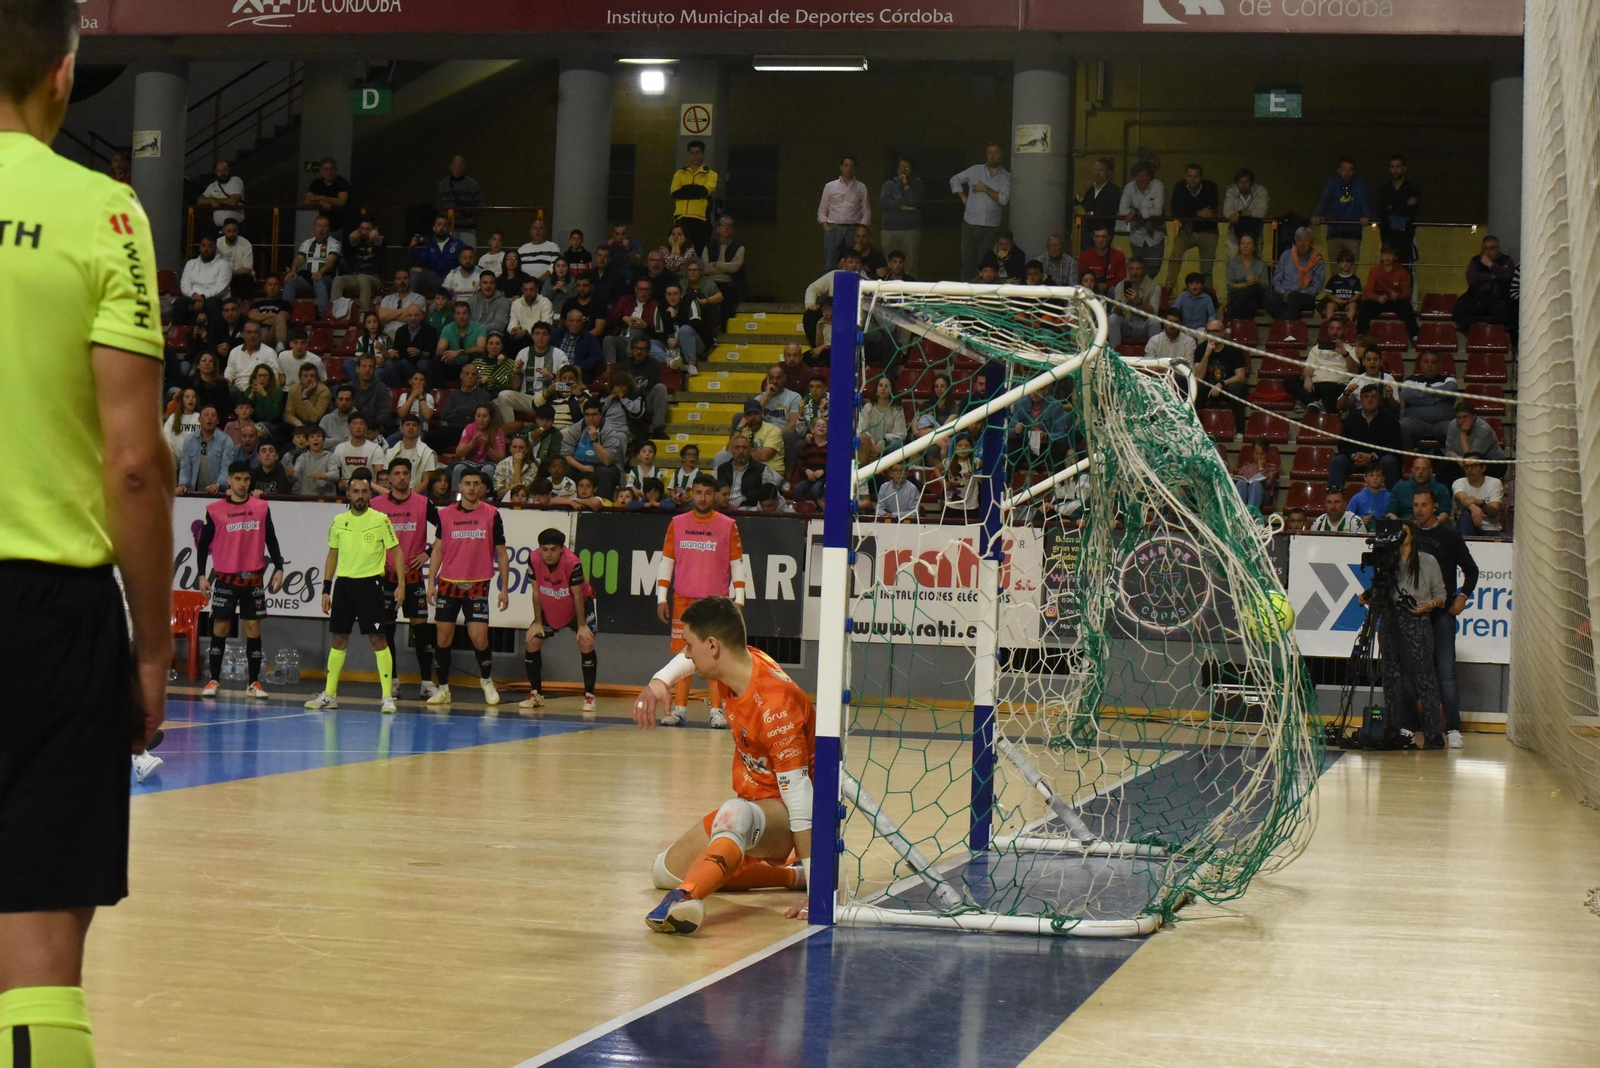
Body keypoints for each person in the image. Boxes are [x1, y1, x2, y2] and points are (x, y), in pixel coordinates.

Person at [0, 13, 174, 1056]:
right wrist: (152, 649)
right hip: (46, 615)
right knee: (37, 943)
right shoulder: (102, 213)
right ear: (64, 75)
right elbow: (134, 465)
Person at [632, 597, 812, 934]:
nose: (685, 654)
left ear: (713, 646)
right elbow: (687, 664)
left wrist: (819, 892)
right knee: (663, 872)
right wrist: (659, 683)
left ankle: (686, 898)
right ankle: (788, 875)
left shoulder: (776, 706)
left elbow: (801, 799)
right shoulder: (740, 665)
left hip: (791, 815)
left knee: (734, 814)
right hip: (756, 804)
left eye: (689, 645)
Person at [653, 476, 748, 729]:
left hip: (715, 603)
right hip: (683, 599)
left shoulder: (728, 525)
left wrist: (739, 598)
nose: (703, 497)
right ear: (690, 493)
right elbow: (667, 561)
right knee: (683, 653)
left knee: (715, 656)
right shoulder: (677, 523)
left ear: (715, 495)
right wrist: (661, 597)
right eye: (698, 492)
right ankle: (680, 710)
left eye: (708, 493)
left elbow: (737, 563)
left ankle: (717, 711)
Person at [305, 470, 403, 713]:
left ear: (370, 493)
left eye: (364, 491)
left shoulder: (381, 519)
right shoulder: (338, 522)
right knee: (338, 639)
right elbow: (332, 555)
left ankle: (387, 696)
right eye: (355, 491)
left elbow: (397, 552)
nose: (360, 496)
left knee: (378, 639)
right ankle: (330, 695)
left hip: (371, 586)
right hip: (344, 586)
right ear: (348, 494)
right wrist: (326, 589)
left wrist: (401, 584)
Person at [195, 460, 286, 698]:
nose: (243, 484)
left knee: (253, 627)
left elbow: (272, 539)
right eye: (238, 479)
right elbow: (203, 545)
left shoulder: (261, 507)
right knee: (220, 627)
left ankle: (254, 682)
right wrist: (202, 575)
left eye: (247, 479)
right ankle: (213, 680)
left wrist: (278, 566)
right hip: (225, 578)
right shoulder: (214, 510)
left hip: (253, 577)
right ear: (229, 480)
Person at [1359, 520, 1446, 749]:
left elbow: (1441, 594)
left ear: (1413, 535)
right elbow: (1382, 587)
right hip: (1390, 617)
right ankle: (1400, 731)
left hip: (1416, 619)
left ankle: (1434, 734)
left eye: (1404, 532)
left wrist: (1428, 605)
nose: (1400, 536)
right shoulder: (1389, 561)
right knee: (1392, 675)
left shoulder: (1427, 561)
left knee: (1424, 676)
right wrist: (1369, 596)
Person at [426, 469, 510, 706]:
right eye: (467, 484)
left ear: (483, 488)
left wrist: (504, 589)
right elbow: (438, 550)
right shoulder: (445, 515)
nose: (472, 488)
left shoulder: (492, 514)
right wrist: (431, 582)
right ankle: (443, 689)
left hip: (477, 584)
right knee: (443, 637)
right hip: (448, 583)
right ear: (459, 487)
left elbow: (502, 554)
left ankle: (486, 681)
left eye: (476, 484)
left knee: (479, 637)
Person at [1412, 489, 1479, 749]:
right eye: (1416, 505)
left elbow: (1471, 570)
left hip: (1441, 614)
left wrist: (1462, 596)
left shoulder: (1449, 535)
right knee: (1414, 672)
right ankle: (1412, 726)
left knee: (1445, 672)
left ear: (1434, 507)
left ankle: (1452, 728)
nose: (1419, 509)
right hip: (1414, 614)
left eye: (1424, 505)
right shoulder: (1410, 533)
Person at [372, 456, 441, 700]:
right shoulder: (376, 504)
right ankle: (393, 681)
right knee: (385, 631)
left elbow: (445, 530)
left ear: (411, 477)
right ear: (389, 477)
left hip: (413, 578)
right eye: (397, 473)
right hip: (386, 577)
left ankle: (425, 682)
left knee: (421, 632)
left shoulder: (423, 503)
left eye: (405, 473)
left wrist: (428, 552)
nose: (401, 478)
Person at [522, 528, 599, 713]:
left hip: (578, 605)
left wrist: (581, 626)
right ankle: (536, 694)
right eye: (544, 549)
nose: (548, 554)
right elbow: (535, 592)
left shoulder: (572, 563)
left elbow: (578, 595)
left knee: (586, 642)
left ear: (562, 549)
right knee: (532, 642)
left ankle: (589, 696)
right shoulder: (533, 558)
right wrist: (538, 623)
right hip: (551, 604)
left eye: (553, 549)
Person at [948, 141, 1010, 281]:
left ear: (1001, 155)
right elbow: (954, 180)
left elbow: (1004, 200)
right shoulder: (975, 170)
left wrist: (985, 189)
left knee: (985, 263)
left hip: (990, 225)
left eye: (996, 152)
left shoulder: (1005, 177)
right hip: (970, 222)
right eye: (990, 152)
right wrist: (963, 197)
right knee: (967, 262)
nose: (992, 156)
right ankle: (965, 294)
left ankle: (980, 296)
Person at [1329, 383, 1402, 490]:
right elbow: (1342, 445)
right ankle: (1333, 498)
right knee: (1337, 460)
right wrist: (1354, 455)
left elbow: (1395, 445)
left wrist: (1372, 456)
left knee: (1389, 461)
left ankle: (1394, 500)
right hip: (1356, 461)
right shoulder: (1351, 418)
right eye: (1366, 397)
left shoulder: (1390, 418)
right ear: (1361, 400)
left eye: (1374, 397)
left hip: (1379, 461)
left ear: (1380, 400)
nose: (1369, 400)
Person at [1166, 162, 1220, 293]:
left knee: (1206, 269)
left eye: (1196, 176)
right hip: (1187, 230)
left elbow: (1211, 211)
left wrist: (1188, 212)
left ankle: (1208, 296)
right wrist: (1197, 213)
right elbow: (1175, 211)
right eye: (1190, 176)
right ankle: (1167, 291)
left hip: (1208, 231)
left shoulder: (1211, 187)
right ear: (1185, 176)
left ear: (1201, 177)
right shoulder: (1180, 187)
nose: (1193, 179)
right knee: (1174, 259)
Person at [1452, 233, 1517, 337]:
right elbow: (1472, 278)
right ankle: (1475, 331)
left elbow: (1507, 275)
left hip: (1498, 298)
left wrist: (1490, 265)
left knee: (1503, 311)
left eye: (1492, 248)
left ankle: (1491, 336)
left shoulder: (1506, 260)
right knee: (1458, 309)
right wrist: (1493, 276)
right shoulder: (1475, 261)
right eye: (1485, 249)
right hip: (1477, 297)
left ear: (1498, 248)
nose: (1489, 251)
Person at [1310, 155, 1371, 264]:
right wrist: (1317, 215)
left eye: (1349, 170)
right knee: (1335, 274)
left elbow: (1363, 200)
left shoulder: (1360, 183)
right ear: (1339, 170)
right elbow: (1325, 199)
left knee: (1351, 274)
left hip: (1353, 235)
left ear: (1354, 171)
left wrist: (1366, 216)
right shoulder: (1332, 182)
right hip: (1334, 234)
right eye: (1343, 170)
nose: (1346, 173)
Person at [1286, 320, 1356, 413]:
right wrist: (1307, 378)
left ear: (1344, 331)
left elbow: (1354, 370)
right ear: (1328, 331)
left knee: (1328, 388)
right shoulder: (1317, 348)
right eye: (1332, 328)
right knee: (1289, 380)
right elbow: (1308, 368)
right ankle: (1314, 403)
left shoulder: (1351, 350)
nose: (1335, 332)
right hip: (1316, 386)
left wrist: (1345, 354)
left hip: (1337, 387)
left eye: (1339, 329)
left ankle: (1313, 405)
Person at [817, 154, 871, 272]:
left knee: (852, 264)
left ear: (855, 168)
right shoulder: (830, 186)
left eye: (851, 166)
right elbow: (822, 211)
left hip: (853, 229)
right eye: (846, 165)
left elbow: (866, 211)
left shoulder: (861, 187)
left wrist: (861, 231)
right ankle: (829, 291)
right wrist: (827, 229)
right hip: (833, 228)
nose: (849, 168)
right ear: (841, 167)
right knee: (829, 265)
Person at [1398, 349, 1459, 447]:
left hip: (1442, 424)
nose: (1430, 365)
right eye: (1426, 362)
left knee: (1453, 428)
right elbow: (1407, 394)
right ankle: (1408, 459)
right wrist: (1435, 398)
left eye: (1434, 362)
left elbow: (1450, 389)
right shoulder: (1411, 380)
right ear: (1421, 364)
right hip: (1416, 423)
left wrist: (1423, 392)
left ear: (1440, 365)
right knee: (1402, 426)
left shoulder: (1448, 379)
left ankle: (1451, 460)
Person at [1194, 319, 1249, 428]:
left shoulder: (1234, 349)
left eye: (1215, 331)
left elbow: (1241, 376)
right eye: (1208, 331)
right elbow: (1199, 376)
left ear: (1223, 333)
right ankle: (1195, 427)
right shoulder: (1201, 349)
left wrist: (1222, 384)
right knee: (1197, 387)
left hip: (1227, 387)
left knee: (1236, 388)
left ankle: (1239, 430)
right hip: (1208, 388)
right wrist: (1206, 355)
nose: (1211, 335)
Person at [284, 213, 340, 314]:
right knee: (290, 280)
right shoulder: (307, 243)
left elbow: (331, 261)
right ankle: (285, 311)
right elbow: (299, 259)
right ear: (314, 228)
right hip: (309, 277)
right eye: (319, 226)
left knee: (318, 279)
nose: (321, 229)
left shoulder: (334, 243)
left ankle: (321, 313)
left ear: (329, 229)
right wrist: (293, 271)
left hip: (326, 277)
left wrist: (320, 272)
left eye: (324, 226)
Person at [176, 405, 239, 494]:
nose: (209, 418)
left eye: (213, 415)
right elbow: (185, 466)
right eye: (206, 415)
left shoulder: (226, 440)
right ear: (199, 420)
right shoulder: (189, 440)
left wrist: (218, 485)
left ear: (217, 421)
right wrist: (183, 484)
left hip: (218, 493)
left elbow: (226, 467)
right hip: (193, 493)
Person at [172, 234, 232, 327]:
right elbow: (185, 285)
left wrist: (203, 297)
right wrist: (194, 295)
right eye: (203, 245)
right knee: (180, 303)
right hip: (193, 297)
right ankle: (178, 336)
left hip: (215, 299)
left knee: (211, 303)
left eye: (210, 245)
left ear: (215, 247)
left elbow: (221, 288)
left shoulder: (224, 265)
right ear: (200, 247)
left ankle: (216, 337)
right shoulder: (191, 263)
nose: (206, 249)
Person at [1359, 244, 1418, 337]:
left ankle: (1415, 336)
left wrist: (1398, 296)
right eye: (1384, 254)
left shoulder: (1402, 272)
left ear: (1395, 257)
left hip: (1396, 301)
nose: (1387, 257)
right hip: (1379, 301)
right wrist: (1377, 298)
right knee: (1364, 306)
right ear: (1381, 256)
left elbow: (1407, 293)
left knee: (1407, 307)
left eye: (1390, 254)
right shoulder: (1375, 271)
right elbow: (1367, 292)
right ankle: (1361, 334)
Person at [1118, 159, 1165, 277]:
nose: (1141, 178)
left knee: (1153, 270)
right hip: (1137, 236)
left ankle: (1146, 292)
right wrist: (1143, 214)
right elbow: (1122, 210)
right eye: (1138, 175)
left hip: (1155, 236)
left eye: (1144, 175)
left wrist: (1137, 212)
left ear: (1150, 176)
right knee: (1137, 270)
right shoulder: (1129, 188)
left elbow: (1158, 210)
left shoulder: (1158, 186)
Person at [669, 139, 718, 249]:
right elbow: (674, 192)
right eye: (692, 153)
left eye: (698, 152)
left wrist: (685, 189)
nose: (695, 155)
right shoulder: (679, 173)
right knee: (679, 252)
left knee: (699, 252)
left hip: (701, 220)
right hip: (681, 219)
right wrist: (696, 190)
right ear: (688, 154)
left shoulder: (711, 174)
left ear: (703, 153)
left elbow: (705, 191)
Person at [1268, 226, 1325, 321]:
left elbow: (1317, 287)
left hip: (1305, 297)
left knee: (1294, 297)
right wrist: (1283, 293)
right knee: (1269, 300)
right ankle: (1285, 325)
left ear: (1311, 242)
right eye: (1300, 240)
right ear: (1295, 241)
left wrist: (1295, 294)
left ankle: (1288, 329)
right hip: (1284, 295)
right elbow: (1276, 279)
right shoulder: (1286, 255)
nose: (1303, 243)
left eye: (1306, 240)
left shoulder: (1317, 260)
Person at [879, 155, 923, 275]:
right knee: (890, 266)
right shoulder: (889, 184)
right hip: (890, 230)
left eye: (907, 168)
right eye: (901, 167)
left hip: (910, 230)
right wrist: (902, 207)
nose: (903, 170)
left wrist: (906, 184)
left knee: (910, 266)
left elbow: (914, 202)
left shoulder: (917, 185)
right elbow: (883, 201)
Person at [1375, 154, 1421, 265]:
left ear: (1404, 168)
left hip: (1406, 237)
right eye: (1392, 167)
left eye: (1398, 167)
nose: (1395, 170)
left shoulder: (1412, 189)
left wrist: (1392, 209)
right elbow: (1382, 212)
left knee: (1406, 269)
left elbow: (1412, 212)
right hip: (1387, 236)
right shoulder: (1384, 190)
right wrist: (1405, 206)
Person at [700, 215, 746, 324]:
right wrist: (727, 267)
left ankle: (724, 329)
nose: (726, 228)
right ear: (718, 229)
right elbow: (704, 269)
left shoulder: (739, 247)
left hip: (729, 283)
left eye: (729, 225)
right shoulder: (708, 247)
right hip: (710, 283)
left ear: (733, 229)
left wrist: (715, 264)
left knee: (730, 298)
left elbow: (735, 267)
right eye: (723, 225)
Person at [332, 218, 385, 314]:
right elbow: (352, 237)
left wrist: (373, 231)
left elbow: (375, 237)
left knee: (363, 278)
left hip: (374, 278)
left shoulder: (379, 241)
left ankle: (363, 312)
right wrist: (358, 231)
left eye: (367, 229)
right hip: (356, 276)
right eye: (362, 229)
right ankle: (335, 311)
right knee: (338, 280)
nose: (364, 231)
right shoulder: (357, 242)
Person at [1339, 340, 1402, 414]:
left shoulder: (1389, 379)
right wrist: (1346, 394)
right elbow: (1339, 407)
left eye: (1375, 360)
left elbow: (1396, 408)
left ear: (1381, 362)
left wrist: (1390, 397)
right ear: (1363, 362)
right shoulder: (1356, 380)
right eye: (1368, 360)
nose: (1372, 362)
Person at [855, 376, 906, 466]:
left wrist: (884, 440)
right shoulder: (868, 407)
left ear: (891, 391)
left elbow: (900, 433)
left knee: (897, 443)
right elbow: (862, 430)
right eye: (880, 385)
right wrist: (872, 441)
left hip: (887, 446)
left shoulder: (897, 409)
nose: (883, 388)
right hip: (870, 445)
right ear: (876, 390)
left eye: (887, 386)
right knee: (861, 439)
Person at [409, 213, 466, 293]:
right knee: (414, 271)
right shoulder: (429, 244)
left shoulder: (458, 244)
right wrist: (412, 247)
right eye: (439, 225)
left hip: (453, 277)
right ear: (434, 228)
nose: (441, 228)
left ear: (449, 228)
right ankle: (410, 300)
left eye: (444, 225)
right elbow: (421, 260)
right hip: (435, 277)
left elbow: (466, 261)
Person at [437, 153, 484, 247]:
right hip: (448, 229)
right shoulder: (443, 184)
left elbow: (481, 206)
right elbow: (439, 206)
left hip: (467, 229)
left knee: (468, 258)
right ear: (450, 167)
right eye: (455, 165)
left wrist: (472, 219)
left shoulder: (472, 184)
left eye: (460, 166)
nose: (457, 168)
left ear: (464, 167)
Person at [1452, 454, 1504, 536]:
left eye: (1473, 466)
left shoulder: (1495, 483)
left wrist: (1480, 503)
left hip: (1490, 529)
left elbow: (1494, 511)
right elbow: (1463, 499)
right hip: (1465, 527)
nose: (1469, 470)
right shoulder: (1458, 483)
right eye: (1466, 467)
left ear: (1483, 468)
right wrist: (1473, 508)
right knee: (1466, 512)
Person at [1222, 233, 1271, 321]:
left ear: (1254, 247)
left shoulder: (1261, 265)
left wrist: (1257, 280)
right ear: (1239, 247)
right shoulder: (1232, 264)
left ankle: (1229, 319)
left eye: (1249, 243)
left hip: (1256, 297)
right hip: (1239, 297)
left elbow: (1266, 287)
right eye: (1243, 244)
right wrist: (1244, 285)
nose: (1246, 246)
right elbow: (1229, 285)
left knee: (1254, 287)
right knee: (1249, 304)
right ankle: (1246, 330)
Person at [1222, 167, 1270, 254]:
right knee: (1234, 263)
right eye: (1240, 181)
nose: (1243, 184)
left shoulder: (1260, 191)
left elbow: (1262, 212)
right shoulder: (1231, 191)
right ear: (1236, 183)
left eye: (1246, 181)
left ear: (1251, 183)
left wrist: (1240, 213)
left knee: (1255, 263)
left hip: (1256, 233)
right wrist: (1251, 213)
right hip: (1234, 234)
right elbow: (1227, 212)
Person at [1076, 156, 1120, 250]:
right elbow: (1075, 204)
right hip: (1087, 232)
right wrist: (1082, 192)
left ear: (1107, 173)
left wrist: (1090, 214)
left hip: (1103, 233)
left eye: (1101, 170)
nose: (1097, 173)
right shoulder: (1089, 188)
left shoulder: (1114, 190)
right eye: (1095, 170)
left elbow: (1110, 209)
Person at [1388, 455, 1452, 519]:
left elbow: (1445, 512)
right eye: (1417, 468)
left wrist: (1433, 525)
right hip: (1404, 524)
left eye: (1424, 469)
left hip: (1432, 525)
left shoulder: (1441, 489)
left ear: (1430, 471)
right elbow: (1390, 512)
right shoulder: (1399, 487)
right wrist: (1400, 526)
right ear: (1412, 471)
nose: (1420, 472)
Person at [303, 157, 351, 237]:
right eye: (326, 169)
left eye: (332, 169)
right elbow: (307, 201)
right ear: (321, 171)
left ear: (336, 170)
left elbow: (342, 201)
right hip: (322, 227)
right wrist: (320, 202)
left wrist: (323, 198)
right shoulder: (316, 183)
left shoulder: (342, 182)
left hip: (340, 226)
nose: (329, 172)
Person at [1077, 224, 1126, 295]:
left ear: (1109, 237)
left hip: (1111, 290)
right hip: (1091, 289)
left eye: (1103, 236)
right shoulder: (1085, 256)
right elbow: (1081, 277)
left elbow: (1121, 278)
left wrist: (1107, 285)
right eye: (1097, 236)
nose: (1100, 240)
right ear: (1093, 237)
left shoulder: (1119, 256)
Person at [216, 218, 256, 301]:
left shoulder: (245, 244)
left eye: (234, 231)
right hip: (221, 276)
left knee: (245, 279)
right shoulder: (217, 243)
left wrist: (230, 273)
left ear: (238, 230)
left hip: (239, 276)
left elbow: (247, 269)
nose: (232, 234)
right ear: (223, 230)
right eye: (229, 231)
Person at [1233, 439, 1279, 511]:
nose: (1259, 457)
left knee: (1255, 484)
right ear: (1253, 453)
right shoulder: (1247, 467)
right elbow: (1240, 477)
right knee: (1241, 483)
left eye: (1262, 454)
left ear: (1267, 453)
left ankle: (1251, 513)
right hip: (1246, 493)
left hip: (1262, 495)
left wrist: (1261, 469)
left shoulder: (1271, 469)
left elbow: (1267, 483)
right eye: (1256, 454)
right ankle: (1240, 512)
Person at [292, 425, 338, 496]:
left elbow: (335, 475)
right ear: (307, 442)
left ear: (323, 441)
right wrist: (290, 474)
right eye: (312, 436)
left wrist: (322, 476)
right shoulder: (302, 458)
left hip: (327, 500)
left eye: (319, 436)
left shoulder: (330, 456)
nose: (316, 439)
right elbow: (295, 475)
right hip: (306, 499)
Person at [518, 218, 561, 283]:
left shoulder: (553, 247)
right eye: (535, 228)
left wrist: (538, 281)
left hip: (545, 283)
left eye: (540, 228)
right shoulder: (522, 249)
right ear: (531, 232)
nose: (537, 230)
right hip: (524, 284)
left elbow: (554, 266)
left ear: (545, 231)